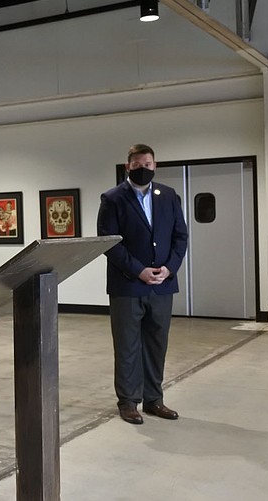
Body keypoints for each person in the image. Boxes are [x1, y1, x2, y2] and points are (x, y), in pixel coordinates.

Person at [96, 144, 188, 425]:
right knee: (127, 346)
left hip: (162, 285)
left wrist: (169, 269)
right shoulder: (112, 198)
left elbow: (180, 236)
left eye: (148, 164)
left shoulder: (169, 196)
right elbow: (109, 242)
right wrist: (139, 271)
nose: (143, 168)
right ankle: (128, 402)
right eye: (138, 164)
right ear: (128, 167)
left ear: (155, 165)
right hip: (128, 286)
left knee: (157, 343)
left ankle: (154, 400)